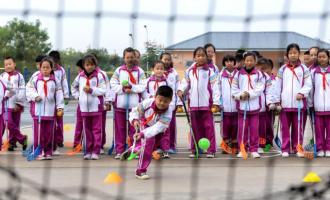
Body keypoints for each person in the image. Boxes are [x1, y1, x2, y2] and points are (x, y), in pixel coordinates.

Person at [177, 47, 220, 158]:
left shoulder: (210, 71)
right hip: (193, 105)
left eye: (202, 55)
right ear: (194, 57)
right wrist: (181, 90)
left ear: (206, 57)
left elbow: (215, 88)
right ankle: (195, 149)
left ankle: (211, 150)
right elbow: (184, 83)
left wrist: (216, 102)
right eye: (198, 55)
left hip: (207, 105)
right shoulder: (189, 71)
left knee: (209, 127)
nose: (200, 57)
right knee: (195, 128)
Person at [274, 43, 312, 158]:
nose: (293, 55)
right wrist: (277, 100)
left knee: (298, 128)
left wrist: (302, 93)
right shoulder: (282, 69)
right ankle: (285, 148)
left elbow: (308, 84)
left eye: (295, 53)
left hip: (299, 104)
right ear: (287, 55)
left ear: (298, 54)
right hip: (285, 105)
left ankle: (297, 148)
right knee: (285, 128)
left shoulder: (304, 69)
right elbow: (277, 85)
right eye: (290, 53)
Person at [130, 85, 174, 180]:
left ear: (170, 101)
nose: (162, 103)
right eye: (160, 100)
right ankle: (140, 171)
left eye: (166, 101)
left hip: (160, 129)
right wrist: (134, 120)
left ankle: (135, 148)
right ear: (155, 96)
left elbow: (157, 128)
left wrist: (142, 134)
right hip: (145, 123)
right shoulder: (147, 103)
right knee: (148, 144)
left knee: (150, 148)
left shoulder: (168, 113)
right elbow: (135, 111)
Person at [110, 47, 146, 159]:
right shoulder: (119, 70)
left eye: (132, 57)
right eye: (127, 57)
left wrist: (132, 88)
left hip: (134, 106)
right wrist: (123, 88)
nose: (130, 59)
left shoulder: (140, 71)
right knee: (120, 129)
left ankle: (133, 149)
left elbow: (143, 85)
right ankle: (120, 151)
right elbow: (113, 83)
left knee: (134, 129)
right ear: (124, 58)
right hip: (120, 105)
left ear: (135, 57)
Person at [26, 56, 64, 160]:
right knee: (38, 133)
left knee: (49, 133)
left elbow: (59, 94)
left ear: (51, 68)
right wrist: (35, 96)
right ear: (40, 68)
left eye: (48, 67)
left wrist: (60, 107)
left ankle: (48, 151)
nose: (45, 69)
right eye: (43, 67)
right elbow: (29, 89)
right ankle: (39, 151)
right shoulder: (35, 78)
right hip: (38, 112)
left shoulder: (55, 80)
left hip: (50, 112)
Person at [71, 55, 107, 160]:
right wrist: (78, 96)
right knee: (87, 131)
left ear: (95, 65)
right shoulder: (80, 76)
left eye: (91, 64)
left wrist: (91, 90)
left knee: (96, 130)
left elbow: (103, 89)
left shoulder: (99, 76)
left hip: (96, 108)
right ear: (83, 65)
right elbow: (73, 86)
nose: (89, 67)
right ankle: (88, 151)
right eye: (87, 65)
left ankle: (96, 151)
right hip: (84, 109)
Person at [232, 52, 265, 159]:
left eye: (251, 60)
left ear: (255, 61)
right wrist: (240, 96)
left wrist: (249, 94)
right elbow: (234, 89)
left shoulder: (259, 74)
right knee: (242, 129)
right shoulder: (238, 74)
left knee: (255, 129)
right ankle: (242, 149)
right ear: (244, 61)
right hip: (242, 107)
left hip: (255, 107)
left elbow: (259, 89)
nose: (249, 62)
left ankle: (254, 149)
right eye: (247, 60)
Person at [0, 56, 27, 151]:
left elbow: (22, 89)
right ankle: (22, 138)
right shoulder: (2, 76)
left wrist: (19, 103)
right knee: (9, 123)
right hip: (6, 104)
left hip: (16, 103)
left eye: (10, 64)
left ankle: (12, 142)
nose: (8, 66)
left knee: (15, 123)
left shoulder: (19, 76)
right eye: (6, 64)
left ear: (14, 64)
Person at [160, 52, 181, 153]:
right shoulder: (158, 71)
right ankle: (160, 146)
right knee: (160, 126)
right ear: (161, 60)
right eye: (165, 59)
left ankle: (171, 146)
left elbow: (178, 88)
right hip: (160, 104)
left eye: (169, 59)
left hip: (171, 104)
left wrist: (178, 103)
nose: (167, 61)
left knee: (171, 126)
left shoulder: (174, 73)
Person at [49, 51, 69, 152]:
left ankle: (59, 139)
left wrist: (66, 96)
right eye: (52, 61)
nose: (54, 63)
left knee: (59, 120)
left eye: (56, 61)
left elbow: (64, 83)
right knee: (50, 120)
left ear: (58, 60)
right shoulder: (47, 69)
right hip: (49, 98)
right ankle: (51, 139)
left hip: (59, 98)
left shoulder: (61, 70)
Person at [311, 49, 330, 157]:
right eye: (319, 57)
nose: (321, 59)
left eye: (324, 57)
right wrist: (310, 104)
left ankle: (328, 148)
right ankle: (320, 148)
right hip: (317, 106)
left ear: (328, 58)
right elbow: (311, 90)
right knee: (319, 130)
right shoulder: (313, 73)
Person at [218, 54, 238, 154]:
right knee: (225, 126)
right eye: (227, 61)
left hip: (236, 107)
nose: (229, 63)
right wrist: (218, 103)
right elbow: (218, 90)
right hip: (224, 107)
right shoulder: (220, 76)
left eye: (231, 61)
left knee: (235, 126)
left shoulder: (239, 75)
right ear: (224, 63)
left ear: (234, 63)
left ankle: (234, 145)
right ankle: (225, 145)